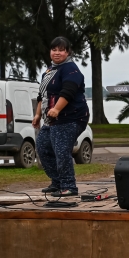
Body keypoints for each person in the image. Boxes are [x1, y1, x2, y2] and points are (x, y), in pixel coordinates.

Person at [33, 37, 90, 197]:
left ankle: (69, 186)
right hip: (52, 119)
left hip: (71, 117)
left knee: (61, 150)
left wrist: (57, 109)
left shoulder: (71, 69)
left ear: (68, 52)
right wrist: (38, 115)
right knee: (43, 147)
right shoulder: (50, 70)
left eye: (61, 50)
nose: (57, 53)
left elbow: (68, 91)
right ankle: (57, 182)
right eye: (54, 49)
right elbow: (41, 95)